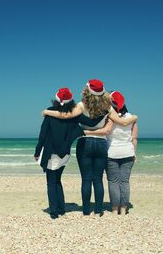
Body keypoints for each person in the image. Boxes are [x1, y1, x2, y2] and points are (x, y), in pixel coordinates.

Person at [43, 80, 138, 216]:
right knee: (98, 179)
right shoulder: (107, 107)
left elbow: (66, 115)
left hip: (85, 142)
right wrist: (135, 116)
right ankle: (98, 210)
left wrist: (47, 111)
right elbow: (123, 121)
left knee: (86, 179)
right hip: (101, 143)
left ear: (87, 91)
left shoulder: (81, 105)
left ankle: (86, 210)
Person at [34, 87, 104, 219]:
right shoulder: (74, 113)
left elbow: (42, 135)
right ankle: (61, 208)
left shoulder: (50, 112)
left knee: (51, 182)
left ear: (56, 99)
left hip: (51, 152)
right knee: (57, 180)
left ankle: (54, 211)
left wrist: (37, 152)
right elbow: (92, 122)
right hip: (64, 153)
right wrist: (105, 111)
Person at [105, 91, 138, 215]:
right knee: (125, 181)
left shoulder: (109, 116)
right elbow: (134, 138)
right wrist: (134, 153)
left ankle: (114, 209)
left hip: (111, 152)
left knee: (113, 181)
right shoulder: (132, 118)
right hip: (128, 152)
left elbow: (106, 132)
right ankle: (123, 209)